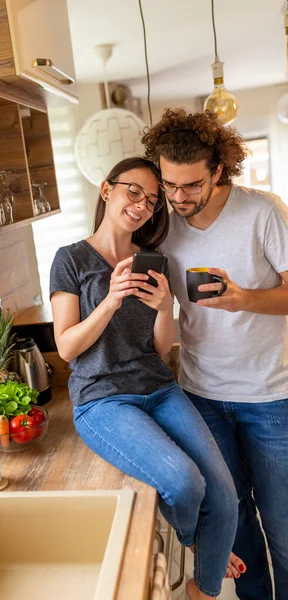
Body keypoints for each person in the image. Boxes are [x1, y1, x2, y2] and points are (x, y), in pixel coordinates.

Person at [50, 157, 243, 600]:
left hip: (159, 388)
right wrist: (111, 300)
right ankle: (195, 538)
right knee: (184, 483)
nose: (142, 205)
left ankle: (203, 589)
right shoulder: (71, 259)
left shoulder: (152, 260)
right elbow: (66, 347)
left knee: (226, 497)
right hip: (102, 401)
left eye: (152, 200)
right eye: (132, 191)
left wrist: (163, 307)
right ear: (106, 190)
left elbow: (158, 348)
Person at [143, 109, 288, 600]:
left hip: (272, 397)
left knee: (284, 528)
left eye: (191, 186)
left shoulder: (264, 211)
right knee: (235, 522)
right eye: (169, 185)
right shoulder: (163, 226)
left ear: (219, 171)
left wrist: (243, 298)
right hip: (202, 396)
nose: (179, 197)